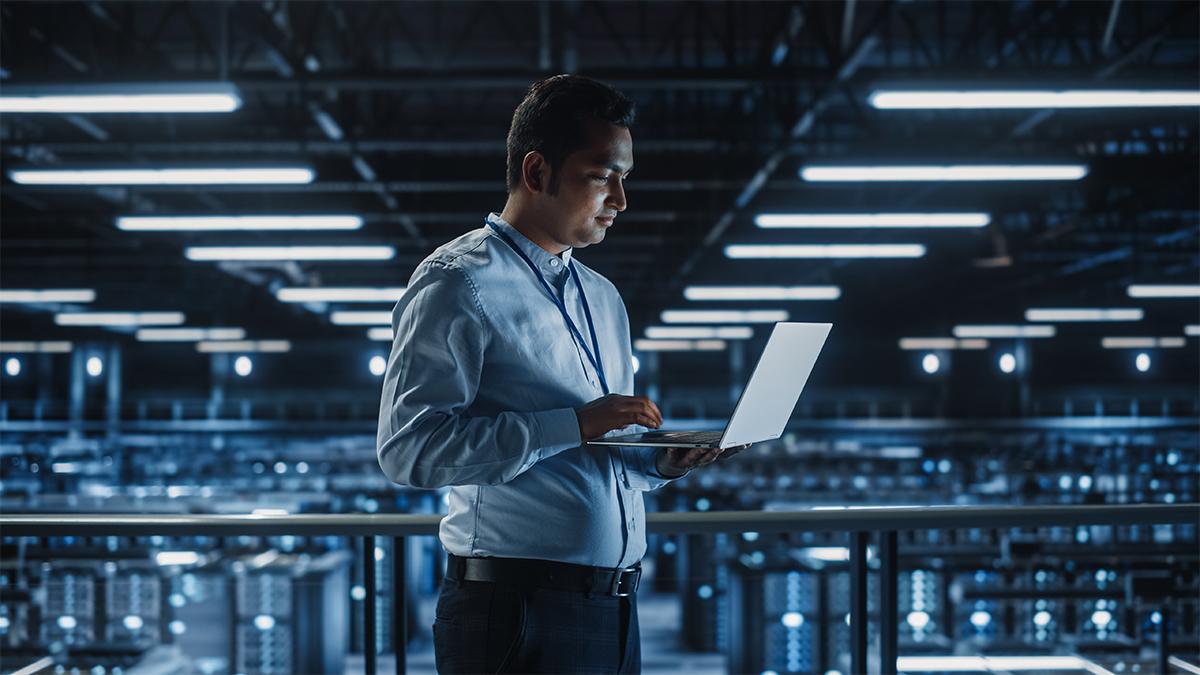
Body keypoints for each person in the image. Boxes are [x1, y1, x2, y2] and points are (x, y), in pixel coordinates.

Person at [376, 73, 745, 674]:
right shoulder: (458, 282)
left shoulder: (602, 297)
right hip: (515, 608)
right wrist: (572, 424)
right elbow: (409, 450)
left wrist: (657, 461)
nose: (620, 199)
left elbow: (594, 446)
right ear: (537, 172)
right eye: (602, 176)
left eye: (626, 177)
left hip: (615, 605)